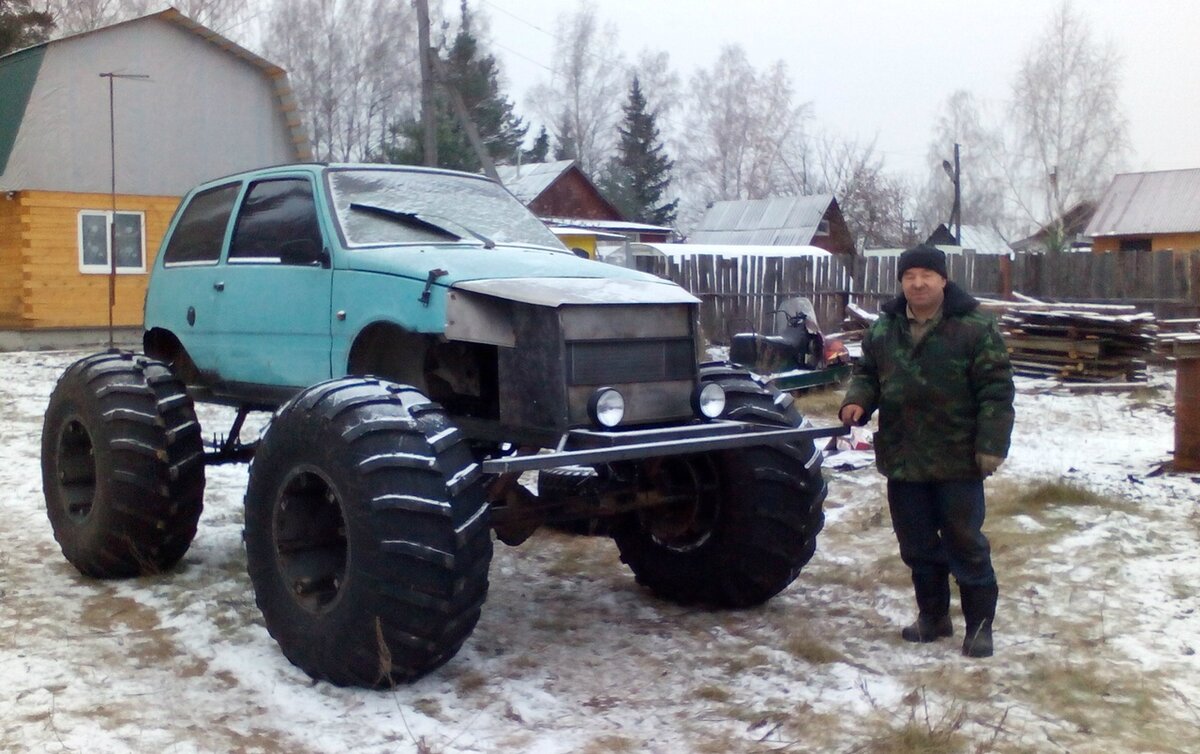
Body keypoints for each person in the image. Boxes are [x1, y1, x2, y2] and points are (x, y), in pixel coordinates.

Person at [839, 243, 1014, 658]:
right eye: (909, 276)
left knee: (964, 541)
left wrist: (991, 445)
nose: (917, 283)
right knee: (916, 544)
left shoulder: (974, 327)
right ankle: (933, 618)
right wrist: (857, 399)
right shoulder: (885, 328)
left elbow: (997, 390)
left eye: (926, 276)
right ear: (902, 282)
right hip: (904, 456)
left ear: (943, 280)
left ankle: (979, 628)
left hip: (958, 457)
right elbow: (868, 374)